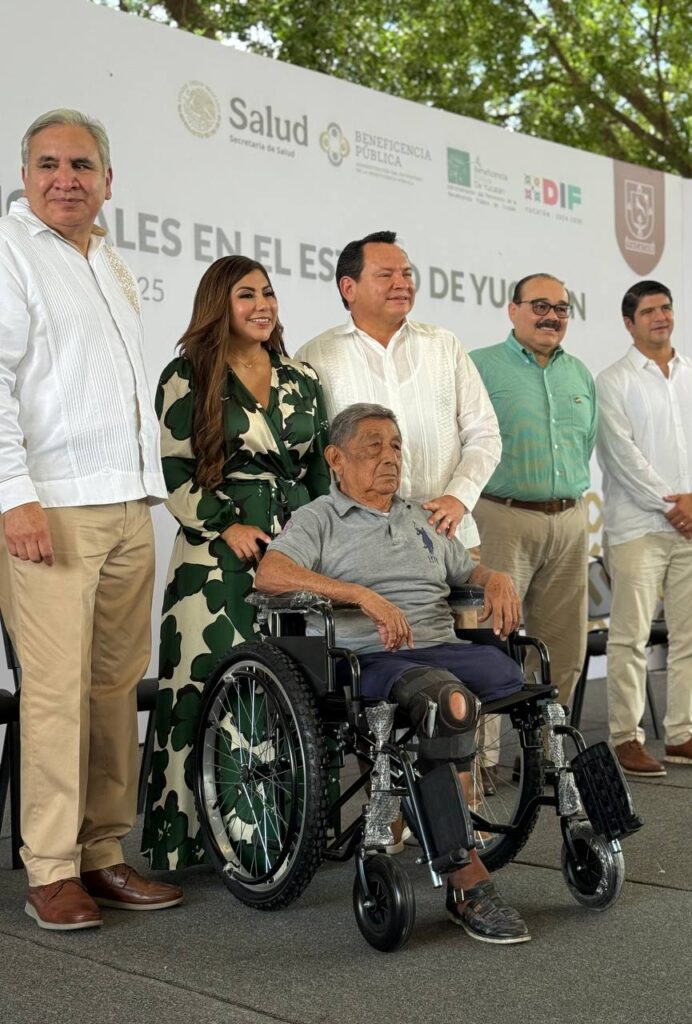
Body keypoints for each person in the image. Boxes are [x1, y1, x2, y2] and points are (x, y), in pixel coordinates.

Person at [255, 403, 531, 945]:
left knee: (527, 685)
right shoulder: (318, 519)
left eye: (396, 447)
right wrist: (360, 596)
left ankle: (580, 827)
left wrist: (493, 575)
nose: (390, 458)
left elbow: (465, 570)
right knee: (446, 704)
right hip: (373, 658)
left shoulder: (419, 517)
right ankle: (465, 881)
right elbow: (271, 573)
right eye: (373, 447)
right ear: (336, 459)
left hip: (440, 646)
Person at [0, 109, 182, 930]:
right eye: (48, 164)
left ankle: (103, 852)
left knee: (113, 692)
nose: (64, 179)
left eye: (81, 165)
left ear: (108, 182)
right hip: (53, 506)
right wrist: (13, 495)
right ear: (25, 173)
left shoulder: (107, 257)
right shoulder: (9, 252)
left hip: (126, 502)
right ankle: (49, 867)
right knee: (56, 693)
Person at [141, 255, 330, 870]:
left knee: (289, 688)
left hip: (295, 551)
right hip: (213, 558)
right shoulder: (186, 373)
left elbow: (320, 473)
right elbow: (173, 472)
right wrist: (229, 523)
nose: (262, 305)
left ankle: (284, 835)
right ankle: (190, 839)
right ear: (218, 304)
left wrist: (317, 535)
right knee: (203, 686)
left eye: (269, 293)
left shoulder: (302, 378)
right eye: (246, 294)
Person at [297, 230, 501, 793]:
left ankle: (463, 811)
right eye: (386, 274)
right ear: (348, 286)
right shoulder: (316, 356)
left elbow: (484, 433)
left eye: (407, 272)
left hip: (447, 535)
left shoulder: (444, 344)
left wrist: (459, 495)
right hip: (358, 550)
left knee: (460, 682)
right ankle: (389, 817)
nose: (402, 282)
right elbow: (316, 456)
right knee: (383, 685)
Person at [596, 279, 692, 776]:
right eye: (650, 310)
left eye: (666, 308)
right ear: (629, 322)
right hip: (638, 527)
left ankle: (683, 733)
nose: (661, 316)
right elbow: (621, 457)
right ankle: (625, 738)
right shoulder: (612, 381)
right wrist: (674, 507)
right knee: (630, 637)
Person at [471, 273, 596, 708]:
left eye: (561, 309)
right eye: (540, 306)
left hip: (569, 521)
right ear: (513, 310)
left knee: (563, 648)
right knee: (488, 643)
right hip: (501, 519)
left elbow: (587, 442)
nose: (551, 317)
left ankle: (547, 755)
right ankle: (481, 766)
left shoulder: (578, 372)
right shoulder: (478, 365)